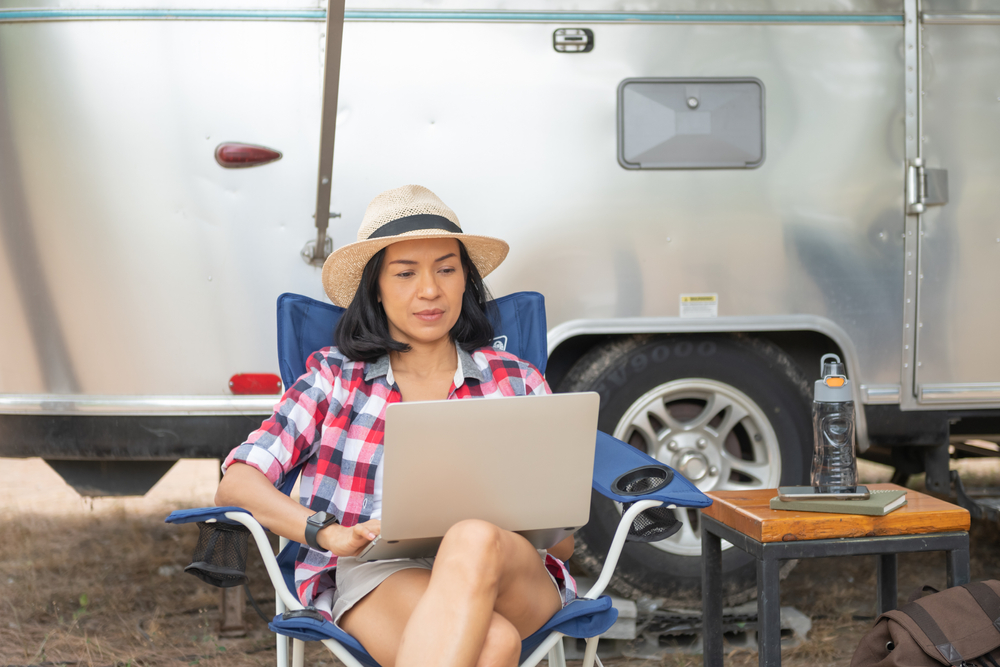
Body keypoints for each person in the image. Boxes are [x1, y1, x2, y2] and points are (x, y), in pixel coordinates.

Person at [215, 185, 576, 667]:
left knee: (473, 537)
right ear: (376, 290)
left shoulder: (515, 379)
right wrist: (325, 533)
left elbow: (565, 542)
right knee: (494, 645)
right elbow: (237, 481)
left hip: (512, 571)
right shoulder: (335, 378)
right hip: (381, 569)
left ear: (465, 280)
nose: (430, 290)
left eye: (447, 269)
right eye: (405, 273)